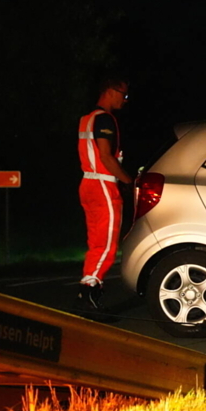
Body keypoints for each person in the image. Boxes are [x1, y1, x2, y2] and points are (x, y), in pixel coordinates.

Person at [77, 78, 133, 309]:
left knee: (96, 242)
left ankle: (88, 291)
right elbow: (106, 156)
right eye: (124, 94)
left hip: (87, 184)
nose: (125, 100)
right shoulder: (104, 120)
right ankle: (89, 290)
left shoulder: (86, 119)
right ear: (110, 92)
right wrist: (128, 180)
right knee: (108, 244)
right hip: (103, 185)